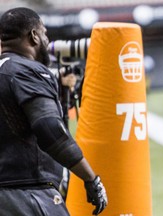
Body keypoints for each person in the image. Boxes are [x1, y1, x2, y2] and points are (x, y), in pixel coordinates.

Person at [0, 7, 107, 215]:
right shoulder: (26, 71)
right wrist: (90, 178)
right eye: (45, 33)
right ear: (34, 36)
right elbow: (50, 131)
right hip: (25, 194)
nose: (47, 40)